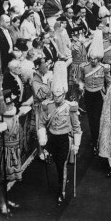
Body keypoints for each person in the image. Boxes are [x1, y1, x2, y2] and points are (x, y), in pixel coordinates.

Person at [37, 63, 81, 206]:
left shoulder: (70, 107)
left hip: (64, 139)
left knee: (62, 165)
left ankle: (61, 192)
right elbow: (42, 123)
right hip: (52, 138)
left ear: (64, 94)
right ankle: (59, 182)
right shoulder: (47, 105)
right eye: (55, 96)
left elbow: (76, 127)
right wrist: (42, 137)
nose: (57, 98)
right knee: (54, 164)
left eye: (59, 95)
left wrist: (76, 144)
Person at [0, 105, 25, 216]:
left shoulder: (15, 117)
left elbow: (19, 133)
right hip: (2, 153)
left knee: (6, 180)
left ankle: (5, 201)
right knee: (1, 180)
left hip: (13, 152)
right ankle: (2, 204)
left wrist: (19, 148)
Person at [78, 33, 111, 153]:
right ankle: (94, 139)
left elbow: (109, 82)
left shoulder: (104, 68)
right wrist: (81, 86)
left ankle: (100, 139)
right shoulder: (84, 67)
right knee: (91, 119)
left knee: (98, 118)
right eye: (91, 58)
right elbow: (81, 79)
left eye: (95, 58)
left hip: (99, 95)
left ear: (99, 58)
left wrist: (107, 93)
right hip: (88, 95)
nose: (93, 60)